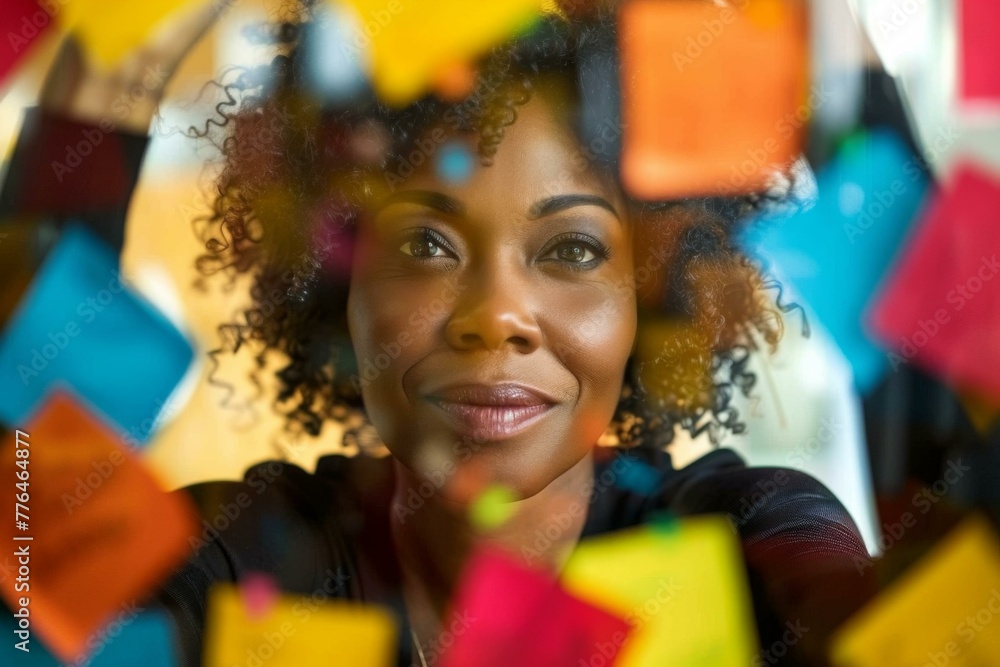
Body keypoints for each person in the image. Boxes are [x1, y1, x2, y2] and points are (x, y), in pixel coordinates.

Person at [3, 3, 875, 666]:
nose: (496, 313)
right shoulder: (249, 561)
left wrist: (849, 89)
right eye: (426, 243)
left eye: (571, 248)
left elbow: (923, 624)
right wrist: (98, 86)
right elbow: (26, 598)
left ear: (653, 296)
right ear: (337, 287)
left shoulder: (745, 539)